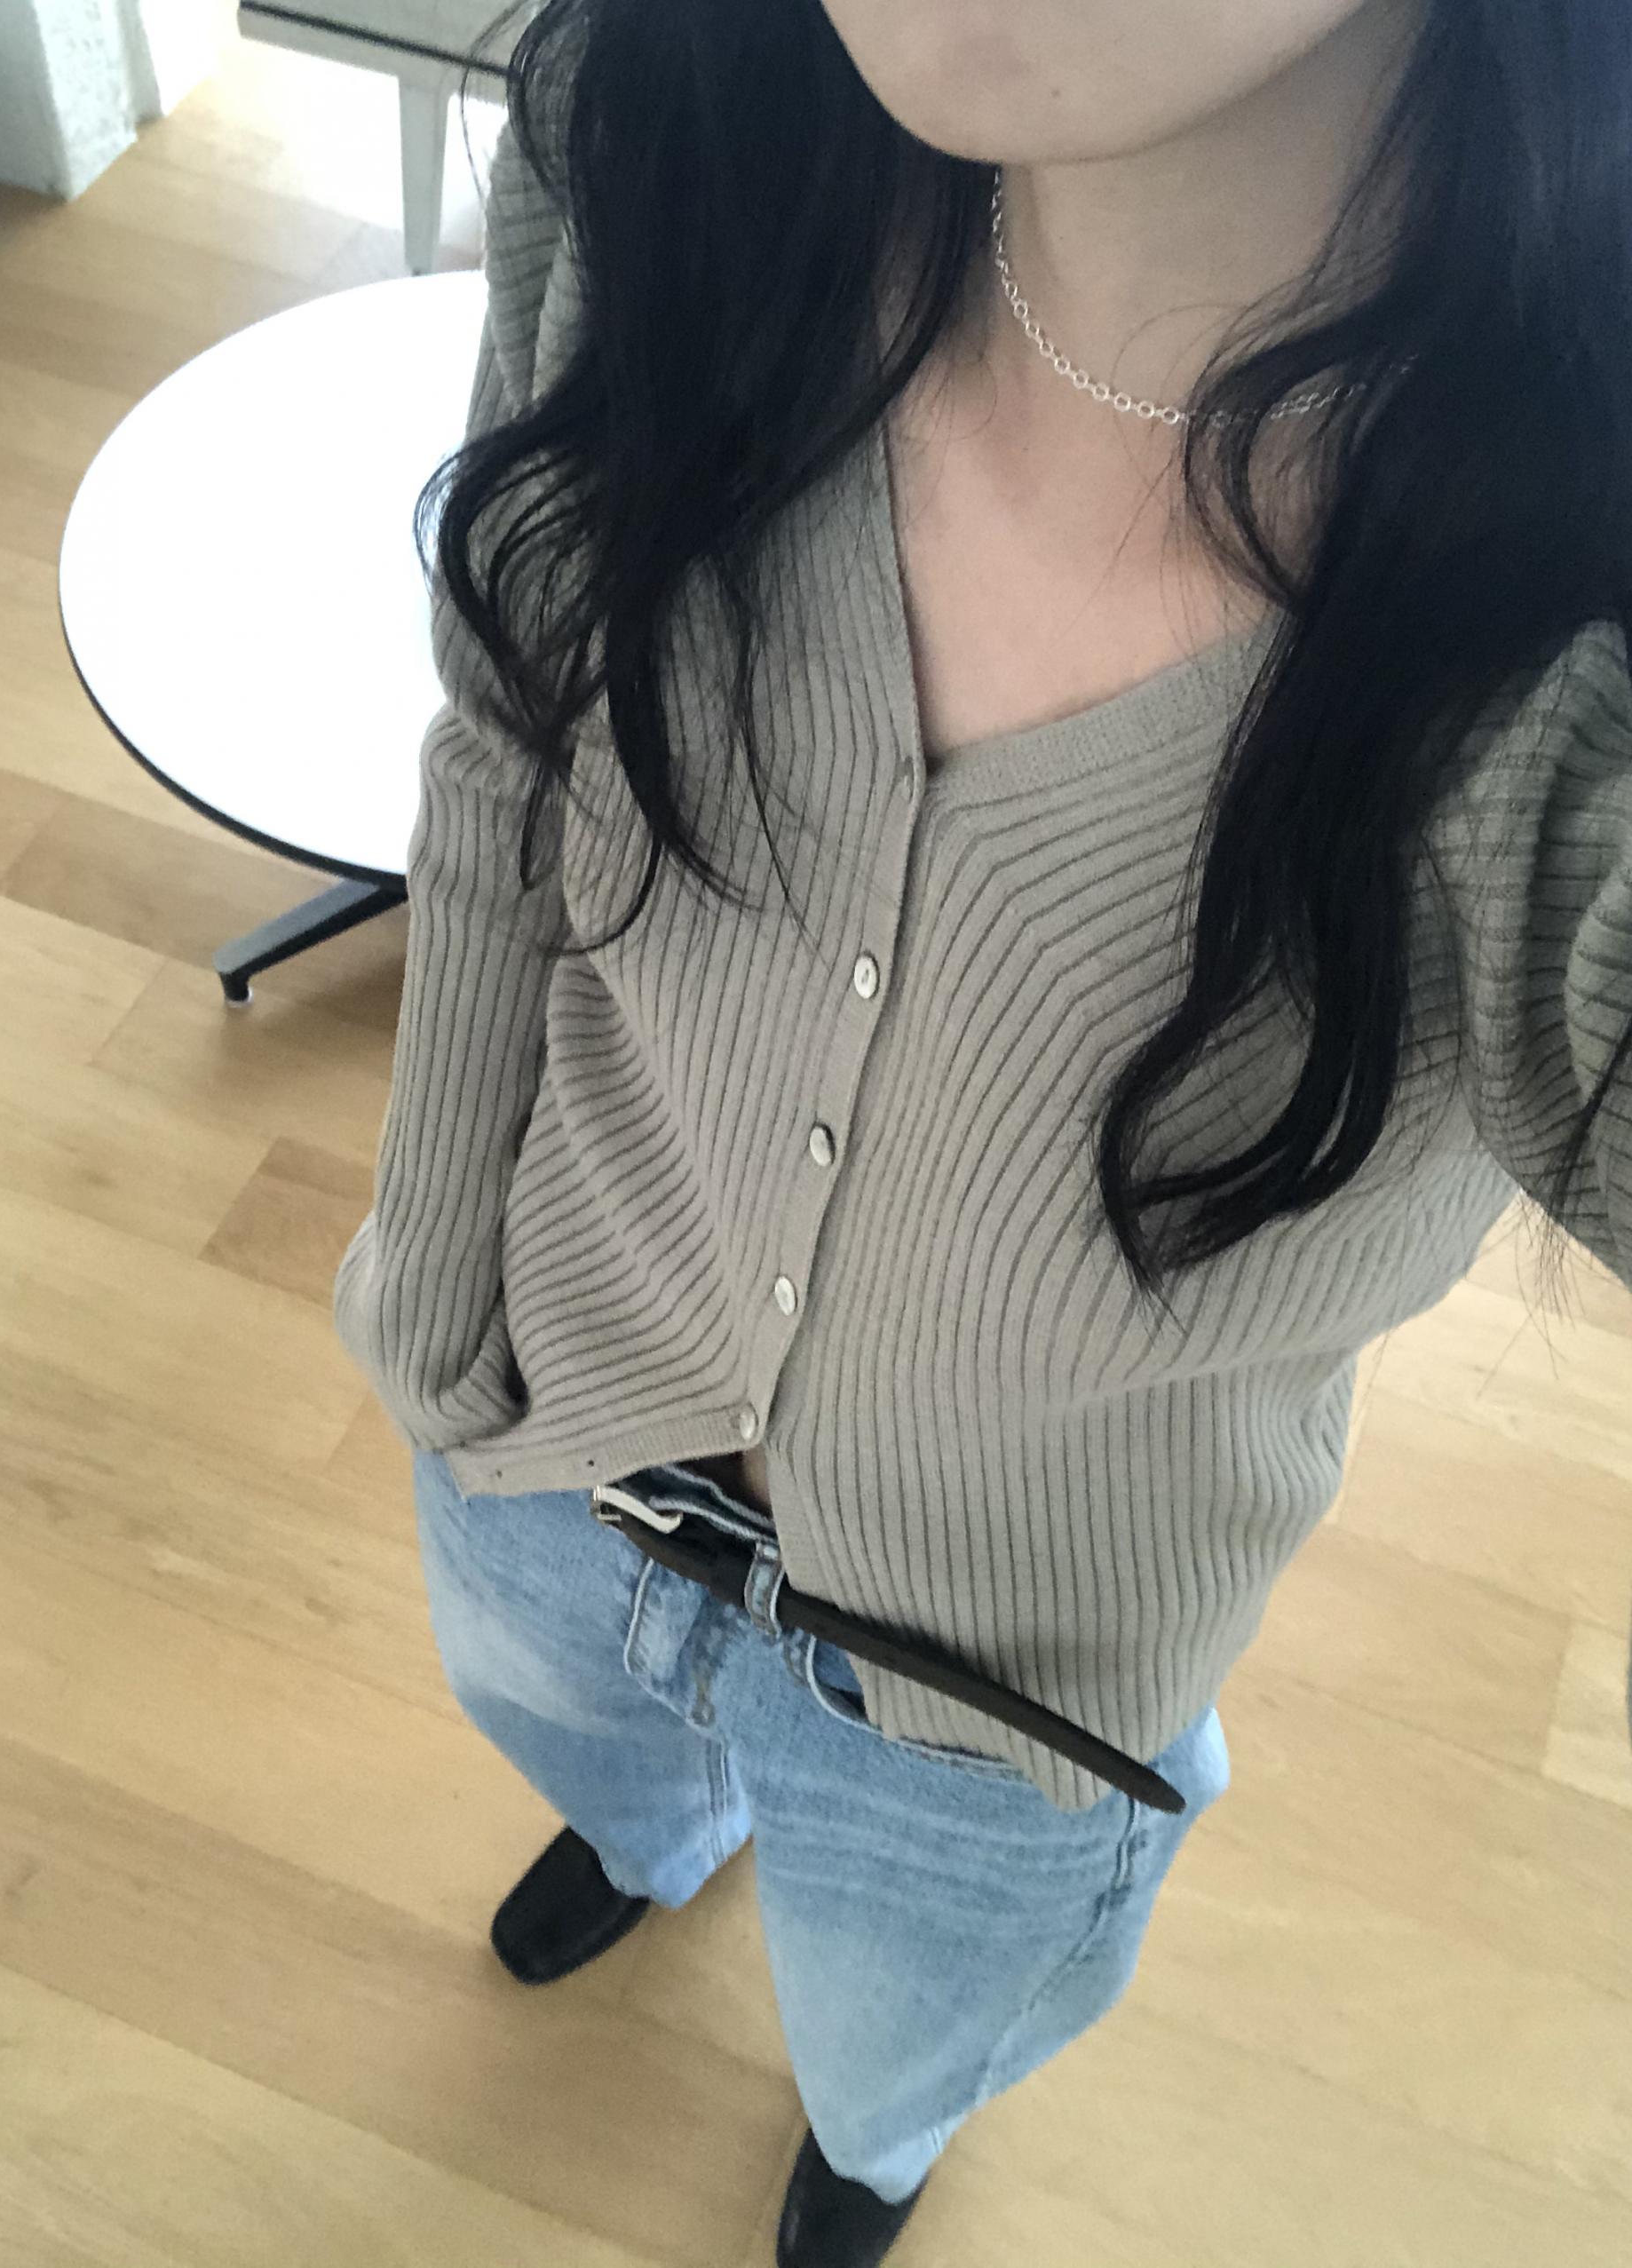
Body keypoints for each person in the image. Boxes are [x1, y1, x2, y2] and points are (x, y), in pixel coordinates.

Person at [333, 4, 1632, 2262]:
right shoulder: (656, 124)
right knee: (588, 1749)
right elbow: (503, 740)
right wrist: (433, 1302)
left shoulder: (1569, 643)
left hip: (998, 1709)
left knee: (898, 2025)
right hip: (542, 1451)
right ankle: (652, 1834)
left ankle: (882, 2137)